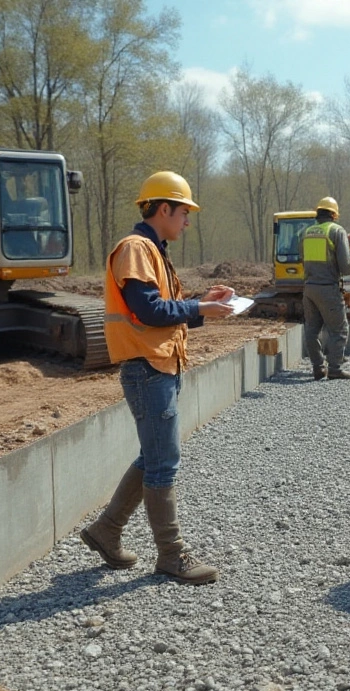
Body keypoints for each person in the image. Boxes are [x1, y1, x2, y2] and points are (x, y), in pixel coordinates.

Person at [80, 170, 234, 585]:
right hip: (147, 369)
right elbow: (148, 312)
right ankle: (171, 555)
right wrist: (199, 308)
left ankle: (106, 531)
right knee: (163, 462)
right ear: (163, 208)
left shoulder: (152, 250)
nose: (187, 221)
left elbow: (165, 316)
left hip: (157, 364)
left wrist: (202, 304)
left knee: (153, 457)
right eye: (184, 212)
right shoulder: (136, 248)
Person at [301, 196, 350, 380]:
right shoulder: (336, 231)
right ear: (334, 214)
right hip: (328, 288)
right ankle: (335, 368)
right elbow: (346, 266)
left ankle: (318, 367)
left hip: (309, 288)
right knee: (339, 329)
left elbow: (303, 259)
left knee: (312, 329)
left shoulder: (306, 232)